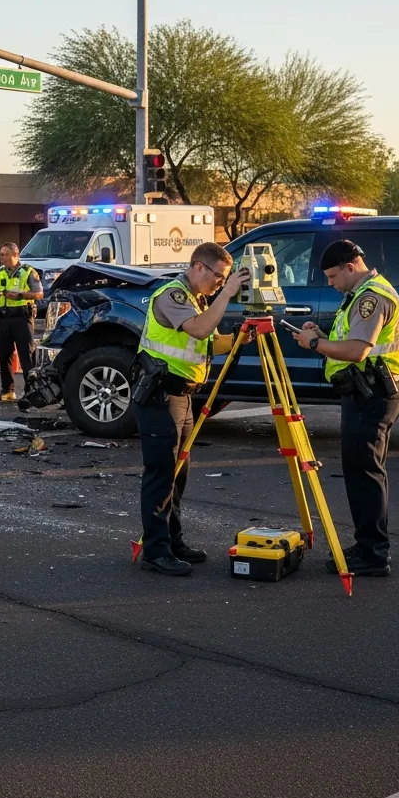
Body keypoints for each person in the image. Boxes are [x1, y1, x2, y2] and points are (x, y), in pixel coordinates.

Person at [132, 242, 252, 576]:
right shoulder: (172, 295)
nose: (219, 283)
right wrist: (226, 295)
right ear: (199, 267)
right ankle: (156, 551)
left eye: (223, 279)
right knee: (161, 472)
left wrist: (238, 339)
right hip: (160, 395)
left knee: (178, 471)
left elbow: (207, 342)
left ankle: (172, 539)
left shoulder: (197, 300)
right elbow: (198, 329)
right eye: (218, 276)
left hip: (182, 395)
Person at [292, 240, 399, 577]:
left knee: (365, 474)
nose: (330, 283)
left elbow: (357, 350)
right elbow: (353, 343)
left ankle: (372, 553)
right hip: (366, 392)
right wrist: (322, 335)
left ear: (350, 266)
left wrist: (314, 342)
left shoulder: (370, 297)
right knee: (362, 472)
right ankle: (368, 543)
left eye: (332, 276)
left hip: (370, 395)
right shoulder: (360, 294)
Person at [0, 242, 43, 402]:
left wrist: (20, 295)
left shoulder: (28, 272)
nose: (1, 258)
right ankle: (7, 390)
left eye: (5, 254)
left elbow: (39, 294)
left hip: (22, 317)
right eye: (1, 255)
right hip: (3, 318)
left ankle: (30, 391)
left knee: (26, 355)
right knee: (4, 355)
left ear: (15, 255)